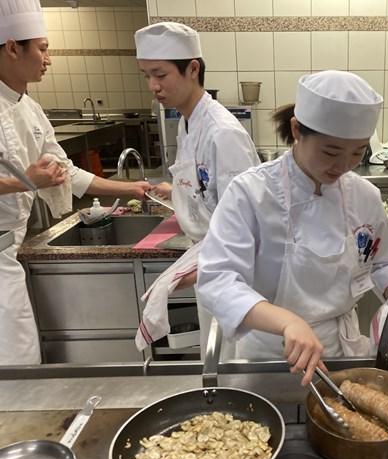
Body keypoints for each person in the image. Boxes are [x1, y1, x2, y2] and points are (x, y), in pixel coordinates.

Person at [197, 70, 388, 386]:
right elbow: (217, 280)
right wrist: (287, 322)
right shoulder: (251, 193)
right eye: (330, 152)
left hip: (340, 353)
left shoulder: (364, 196)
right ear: (296, 131)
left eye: (358, 152)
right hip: (269, 354)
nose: (343, 166)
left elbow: (381, 261)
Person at [0, 0, 152, 365]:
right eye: (43, 49)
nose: (48, 60)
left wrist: (131, 188)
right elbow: (28, 180)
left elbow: (67, 172)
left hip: (9, 250)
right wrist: (25, 182)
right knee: (16, 362)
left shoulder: (30, 109)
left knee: (19, 359)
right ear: (13, 47)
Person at [134, 22, 260, 353]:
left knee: (232, 359)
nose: (153, 86)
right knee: (214, 354)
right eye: (147, 75)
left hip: (231, 269)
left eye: (160, 75)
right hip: (209, 259)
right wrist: (176, 189)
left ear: (192, 69)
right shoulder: (187, 121)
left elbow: (245, 220)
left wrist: (208, 265)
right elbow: (206, 187)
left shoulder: (223, 132)